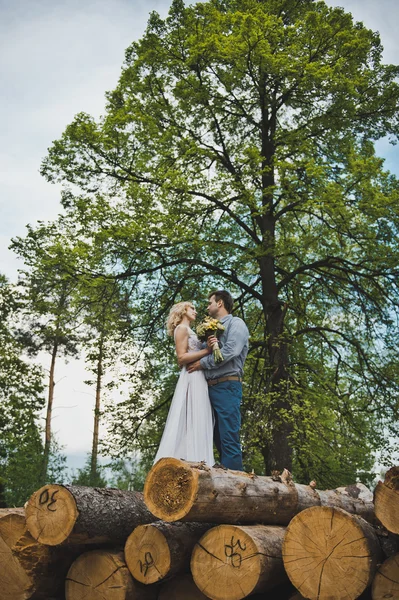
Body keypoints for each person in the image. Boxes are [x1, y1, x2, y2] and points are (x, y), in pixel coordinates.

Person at [187, 290, 249, 471]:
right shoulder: (209, 328)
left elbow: (230, 351)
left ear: (220, 303)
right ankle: (223, 477)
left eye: (210, 303)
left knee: (229, 435)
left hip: (227, 384)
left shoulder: (237, 324)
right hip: (208, 388)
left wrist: (202, 363)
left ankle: (236, 483)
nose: (207, 307)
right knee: (214, 436)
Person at [154, 301, 215, 466]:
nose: (195, 311)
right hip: (191, 377)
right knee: (191, 417)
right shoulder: (181, 329)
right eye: (192, 308)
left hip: (199, 376)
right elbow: (181, 358)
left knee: (198, 418)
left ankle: (195, 460)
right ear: (183, 310)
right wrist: (207, 351)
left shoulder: (190, 330)